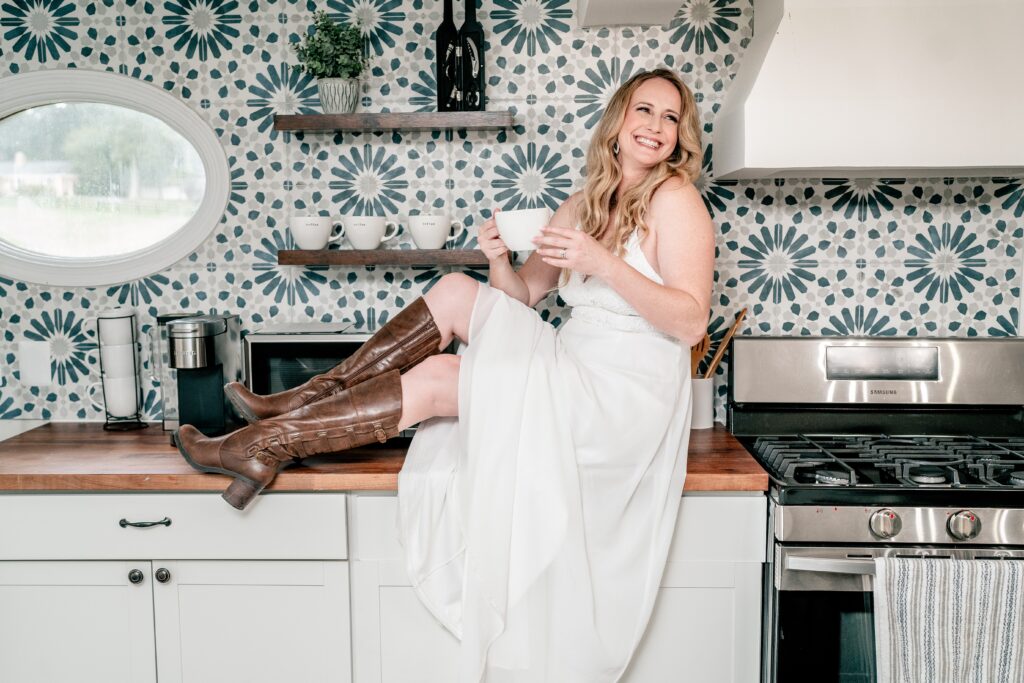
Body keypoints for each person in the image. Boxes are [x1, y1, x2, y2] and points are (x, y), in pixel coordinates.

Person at [175, 67, 713, 682]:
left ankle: (265, 437)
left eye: (671, 118)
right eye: (644, 110)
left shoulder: (676, 200)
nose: (656, 127)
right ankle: (285, 416)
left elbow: (692, 322)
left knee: (438, 378)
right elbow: (522, 301)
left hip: (622, 393)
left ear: (681, 136)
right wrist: (500, 261)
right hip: (573, 363)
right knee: (459, 294)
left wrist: (605, 265)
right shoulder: (583, 204)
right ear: (617, 121)